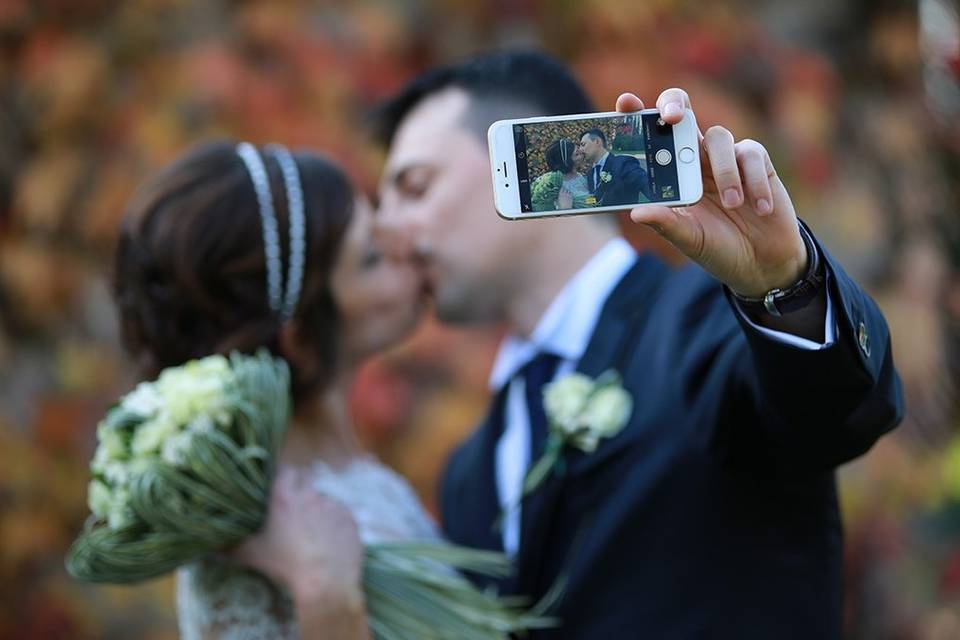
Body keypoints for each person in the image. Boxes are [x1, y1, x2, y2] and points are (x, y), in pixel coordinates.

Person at [368, 50, 904, 638]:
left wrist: (784, 284)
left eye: (414, 188)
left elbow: (841, 412)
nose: (388, 229)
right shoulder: (468, 470)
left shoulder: (705, 323)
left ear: (534, 145)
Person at [112, 140, 435, 639]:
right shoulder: (256, 554)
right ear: (300, 340)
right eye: (372, 257)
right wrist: (327, 603)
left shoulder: (355, 477)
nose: (408, 243)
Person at [578, 127, 651, 205]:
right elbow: (595, 199)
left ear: (597, 141)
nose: (580, 149)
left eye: (583, 145)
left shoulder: (623, 163)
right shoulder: (590, 174)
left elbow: (647, 186)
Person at [530, 138, 593, 211]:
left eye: (578, 148)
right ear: (567, 162)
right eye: (577, 154)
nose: (582, 152)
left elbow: (591, 200)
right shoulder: (554, 186)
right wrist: (564, 209)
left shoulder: (581, 176)